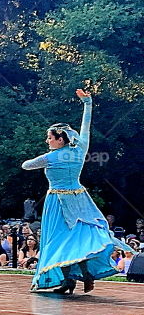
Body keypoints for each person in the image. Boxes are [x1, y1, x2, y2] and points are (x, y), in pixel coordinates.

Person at [23, 89, 123, 294]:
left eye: (49, 137)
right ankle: (80, 275)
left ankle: (68, 280)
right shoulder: (80, 150)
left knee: (59, 240)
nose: (47, 141)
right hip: (80, 198)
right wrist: (88, 104)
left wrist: (41, 160)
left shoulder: (49, 158)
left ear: (60, 139)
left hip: (57, 200)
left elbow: (26, 165)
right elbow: (85, 128)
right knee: (78, 238)